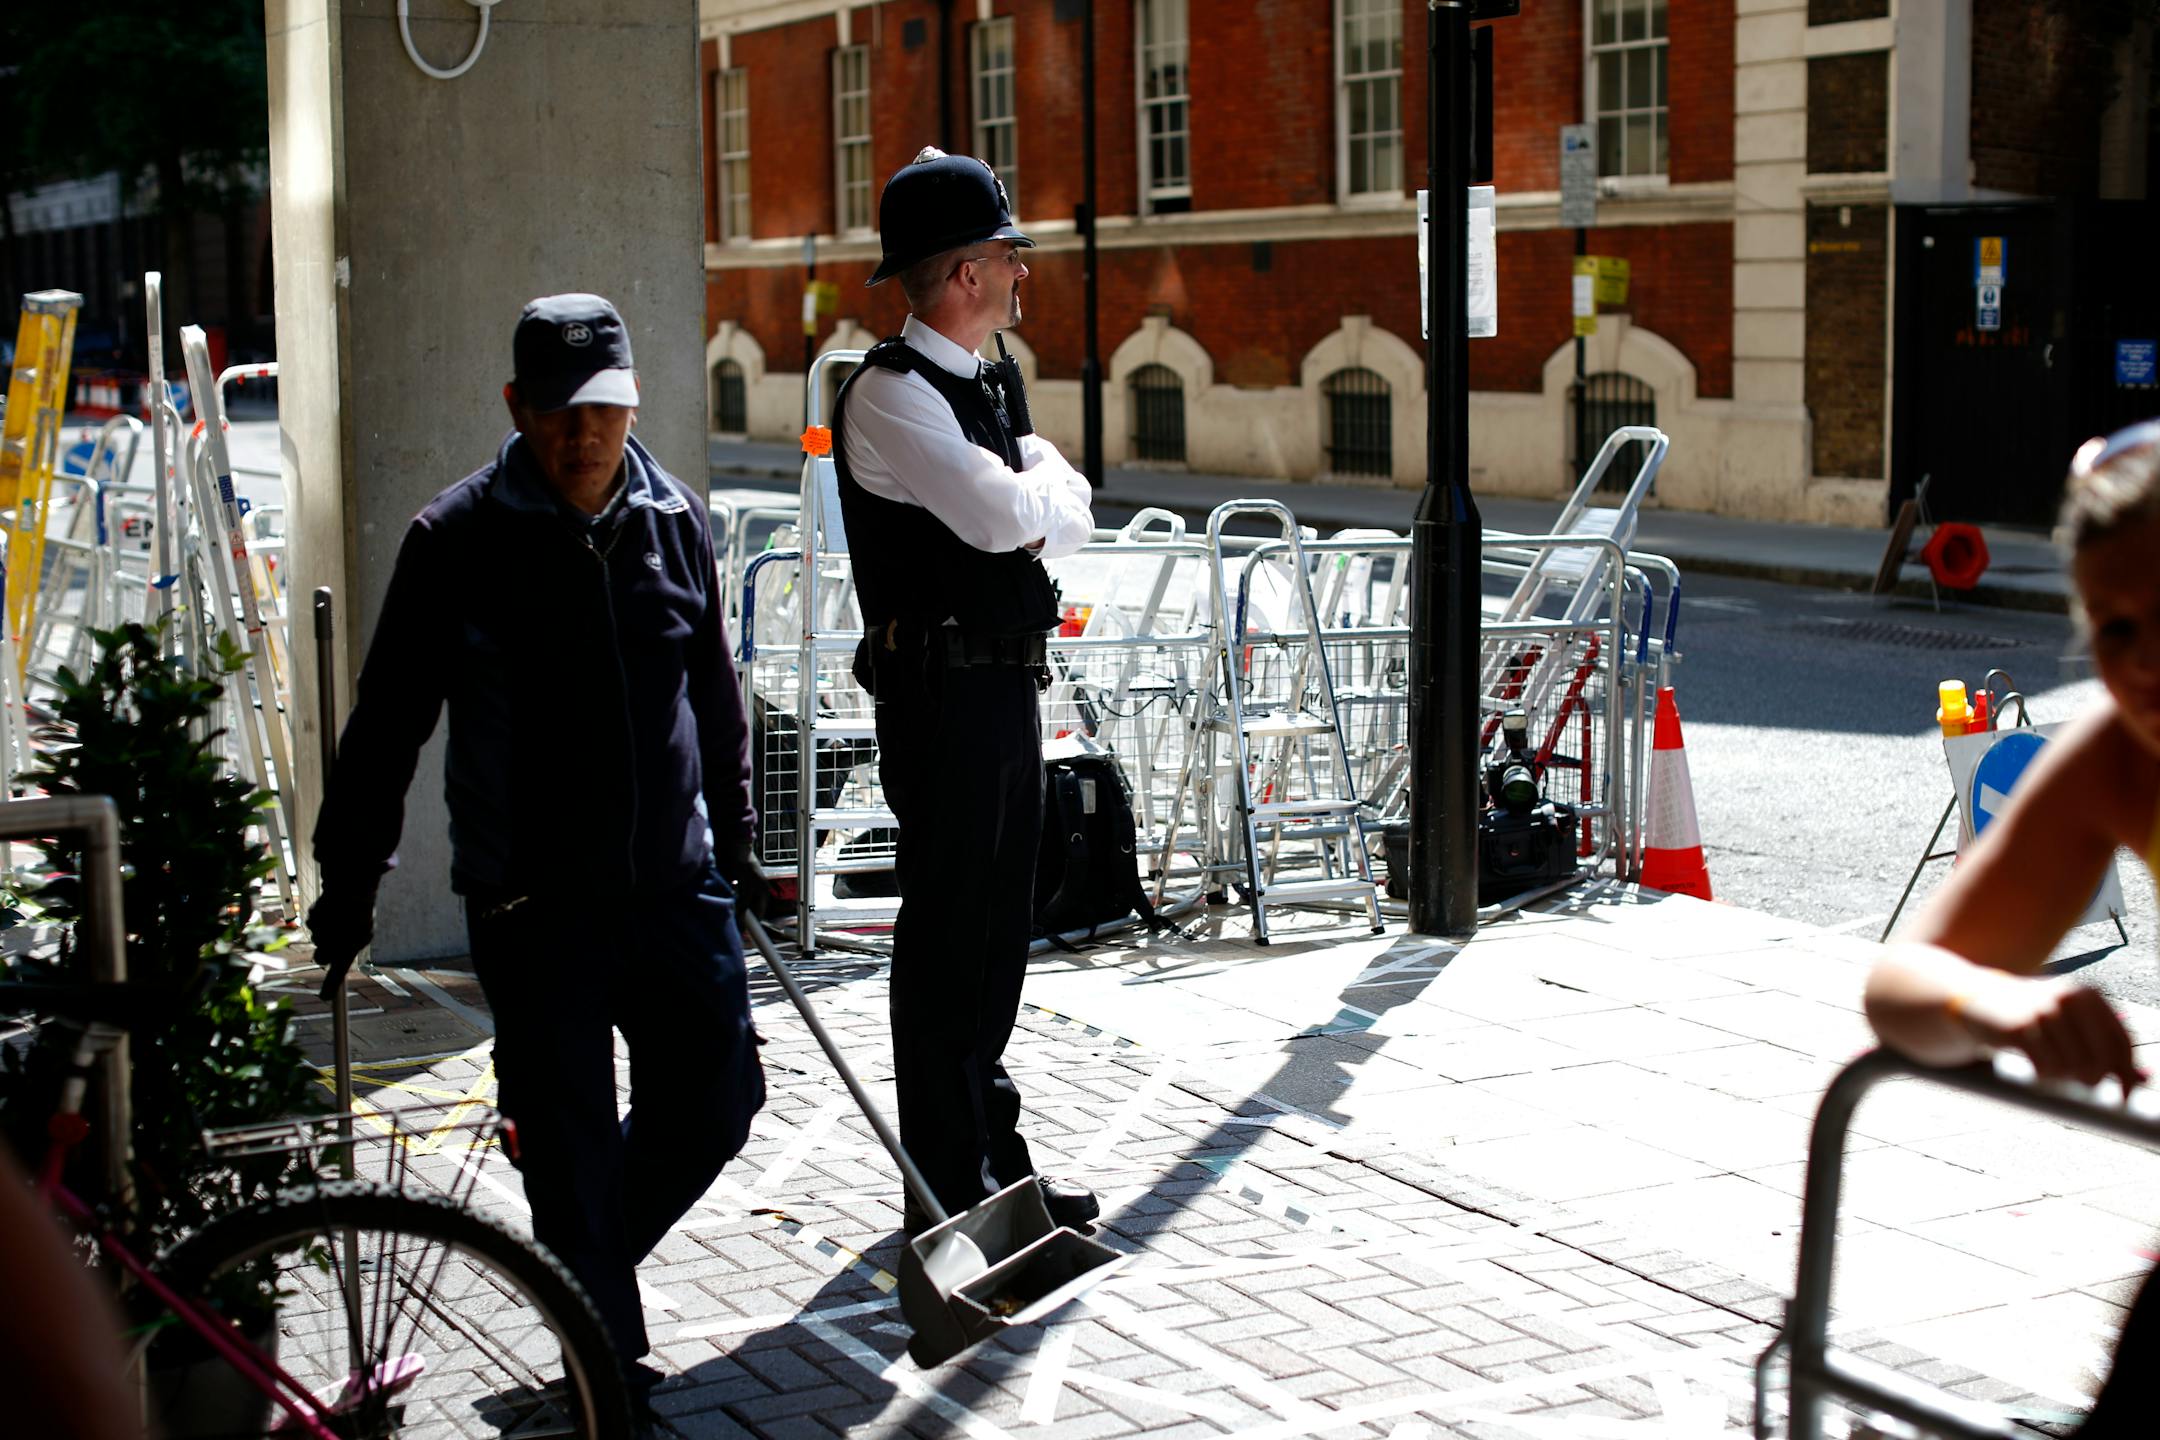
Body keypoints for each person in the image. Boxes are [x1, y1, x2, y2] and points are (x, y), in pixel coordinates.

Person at [306, 294, 767, 1392]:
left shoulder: (676, 521)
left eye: (601, 410)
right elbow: (387, 726)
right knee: (565, 1145)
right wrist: (348, 882)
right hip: (533, 907)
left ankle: (578, 1277)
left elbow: (714, 691)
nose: (582, 435)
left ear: (633, 400)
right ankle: (603, 1357)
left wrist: (741, 839)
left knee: (718, 1101)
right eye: (557, 411)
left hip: (673, 888)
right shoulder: (454, 539)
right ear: (516, 407)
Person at [1862, 418, 2160, 1434]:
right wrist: (2000, 1001)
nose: (2149, 665)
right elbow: (1906, 986)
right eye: (2117, 633)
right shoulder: (2121, 759)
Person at [833, 148, 1099, 1234]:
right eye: (1007, 256)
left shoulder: (986, 385)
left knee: (995, 940)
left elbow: (1072, 504)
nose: (1022, 275)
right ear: (961, 274)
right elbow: (1005, 520)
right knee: (949, 942)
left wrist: (1035, 495)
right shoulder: (891, 395)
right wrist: (1035, 496)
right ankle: (947, 1182)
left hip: (1002, 688)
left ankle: (992, 1159)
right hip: (942, 700)